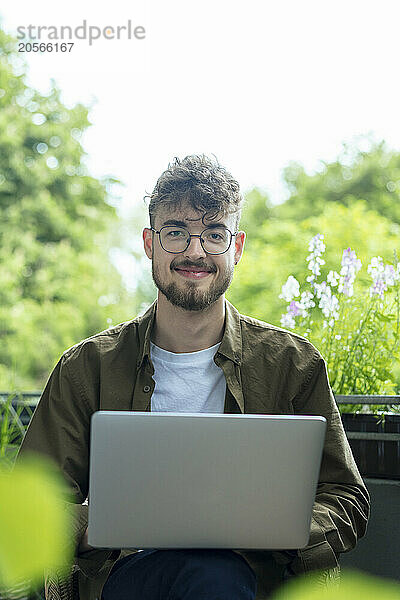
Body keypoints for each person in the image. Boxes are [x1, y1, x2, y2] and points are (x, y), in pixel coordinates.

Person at [17, 154, 370, 600]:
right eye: (176, 232)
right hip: (128, 577)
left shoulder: (292, 365)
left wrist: (276, 527)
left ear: (236, 248)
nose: (195, 251)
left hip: (249, 578)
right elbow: (35, 507)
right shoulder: (86, 367)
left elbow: (347, 499)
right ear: (150, 243)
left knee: (215, 572)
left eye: (214, 234)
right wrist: (98, 524)